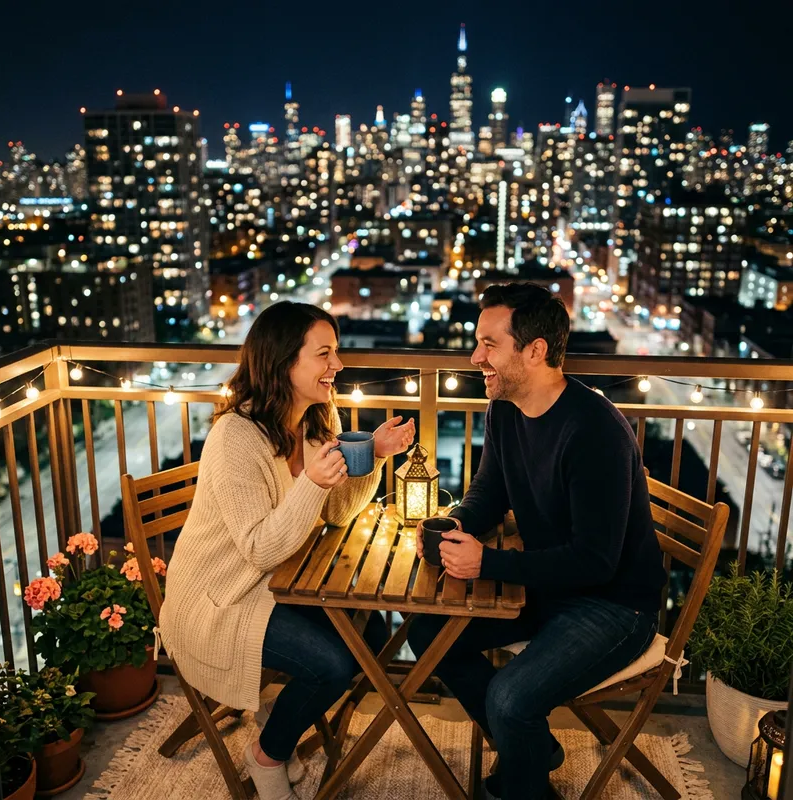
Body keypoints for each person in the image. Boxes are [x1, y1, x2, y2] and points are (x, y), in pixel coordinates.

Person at [408, 283, 666, 800]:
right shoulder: (504, 410)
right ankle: (532, 748)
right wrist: (457, 523)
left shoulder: (596, 432)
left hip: (614, 606)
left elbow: (595, 562)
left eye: (489, 344)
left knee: (509, 697)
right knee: (426, 634)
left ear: (536, 350)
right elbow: (489, 491)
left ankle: (521, 773)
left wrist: (488, 564)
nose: (476, 357)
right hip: (547, 584)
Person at [159, 301, 416, 800]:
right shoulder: (236, 436)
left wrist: (376, 457)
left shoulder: (318, 418)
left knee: (373, 629)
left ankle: (279, 715)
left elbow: (337, 511)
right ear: (283, 362)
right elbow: (258, 548)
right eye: (324, 354)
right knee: (334, 665)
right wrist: (311, 485)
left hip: (277, 582)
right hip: (220, 599)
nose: (337, 367)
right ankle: (267, 753)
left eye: (336, 353)